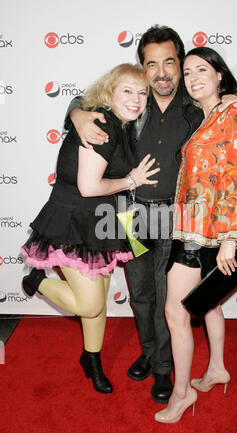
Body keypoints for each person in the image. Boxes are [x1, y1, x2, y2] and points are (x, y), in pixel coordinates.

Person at [67, 25, 237, 404]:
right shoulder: (132, 100)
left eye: (170, 62)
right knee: (141, 293)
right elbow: (87, 103)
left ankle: (165, 368)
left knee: (169, 295)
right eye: (152, 64)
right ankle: (149, 352)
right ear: (143, 67)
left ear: (181, 62)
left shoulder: (199, 101)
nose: (162, 72)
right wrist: (76, 114)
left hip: (176, 217)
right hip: (129, 214)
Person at [21, 63, 159, 394]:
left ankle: (91, 359)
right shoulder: (103, 124)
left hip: (100, 224)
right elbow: (88, 186)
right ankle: (36, 281)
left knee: (97, 302)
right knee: (90, 305)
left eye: (142, 93)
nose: (136, 99)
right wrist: (131, 180)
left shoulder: (119, 124)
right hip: (74, 224)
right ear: (110, 90)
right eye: (128, 90)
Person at [154, 46, 237, 423]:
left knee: (175, 313)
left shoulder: (233, 112)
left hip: (203, 232)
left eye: (203, 69)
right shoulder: (206, 118)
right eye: (187, 72)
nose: (193, 77)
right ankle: (216, 368)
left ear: (220, 75)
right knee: (208, 301)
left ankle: (181, 395)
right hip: (194, 227)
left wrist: (231, 238)